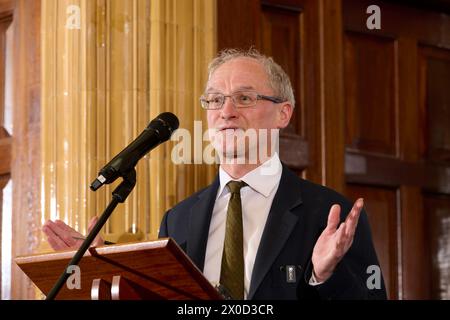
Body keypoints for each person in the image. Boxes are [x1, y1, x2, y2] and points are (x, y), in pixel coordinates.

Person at [43, 48, 387, 300]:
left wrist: (324, 276)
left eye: (244, 98)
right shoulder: (178, 219)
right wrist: (107, 268)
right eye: (214, 99)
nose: (226, 112)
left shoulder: (329, 214)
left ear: (283, 114)